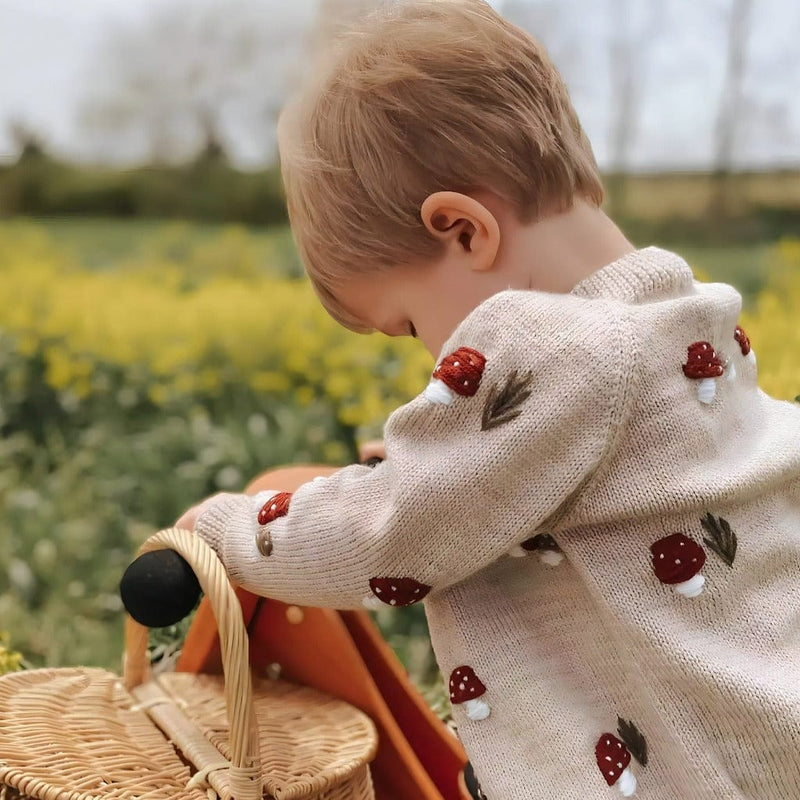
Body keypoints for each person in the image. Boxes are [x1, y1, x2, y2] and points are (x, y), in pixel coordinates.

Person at [176, 1, 800, 797]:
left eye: (408, 325)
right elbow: (610, 477)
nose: (434, 359)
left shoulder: (552, 346)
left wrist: (226, 532)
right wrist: (460, 456)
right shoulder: (693, 326)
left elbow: (395, 536)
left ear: (464, 230)